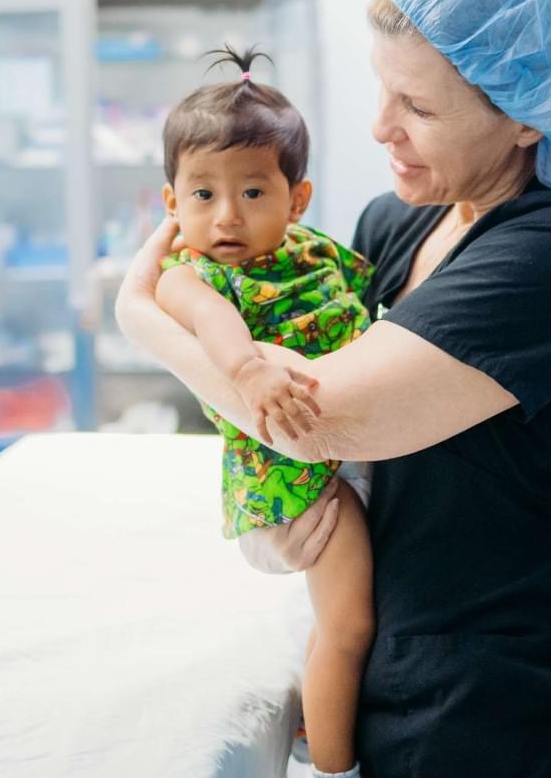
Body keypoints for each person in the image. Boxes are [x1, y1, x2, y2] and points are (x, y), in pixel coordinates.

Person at [117, 0, 551, 777]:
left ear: (527, 117)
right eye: (383, 89)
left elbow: (316, 414)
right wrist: (282, 517)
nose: (382, 128)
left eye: (418, 107)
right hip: (409, 671)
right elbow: (291, 386)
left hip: (536, 706)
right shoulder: (400, 218)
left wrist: (150, 320)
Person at [155, 45, 375, 778]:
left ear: (297, 199)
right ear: (171, 204)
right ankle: (335, 771)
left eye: (252, 193)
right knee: (350, 626)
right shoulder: (192, 277)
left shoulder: (315, 253)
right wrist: (251, 371)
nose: (226, 217)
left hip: (345, 454)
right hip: (289, 472)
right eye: (202, 195)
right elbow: (214, 325)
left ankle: (320, 730)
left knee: (332, 625)